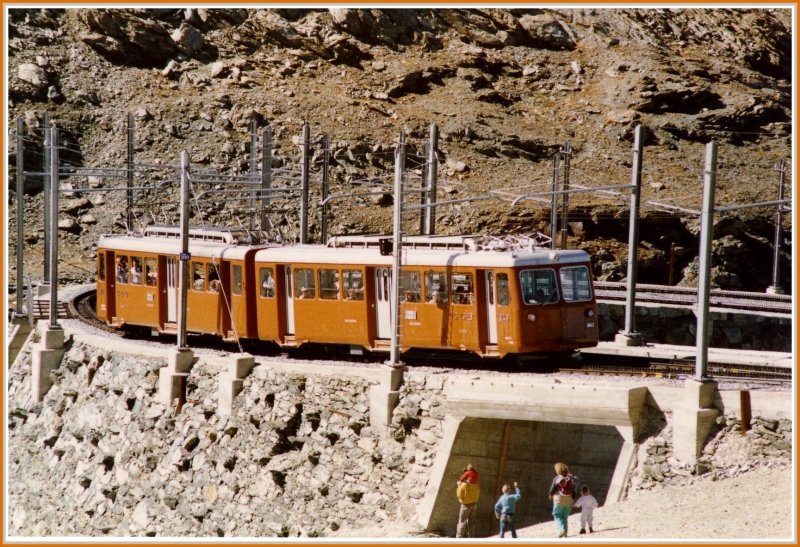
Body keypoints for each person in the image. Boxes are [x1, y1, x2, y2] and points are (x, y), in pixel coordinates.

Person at [548, 462, 575, 538]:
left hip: (559, 499)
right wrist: (573, 499)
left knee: (557, 514)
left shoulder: (557, 478)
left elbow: (552, 488)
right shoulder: (571, 478)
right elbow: (574, 489)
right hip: (569, 499)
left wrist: (550, 494)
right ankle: (565, 533)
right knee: (564, 516)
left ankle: (561, 530)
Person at [455, 464, 480, 538]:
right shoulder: (476, 485)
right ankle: (471, 538)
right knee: (471, 523)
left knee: (462, 522)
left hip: (466, 505)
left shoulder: (464, 485)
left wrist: (459, 485)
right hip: (474, 504)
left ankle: (459, 538)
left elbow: (459, 495)